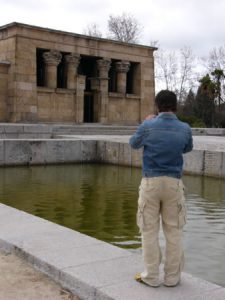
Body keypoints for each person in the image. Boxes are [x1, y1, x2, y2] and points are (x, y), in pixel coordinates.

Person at [129, 90, 193, 287]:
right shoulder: (184, 128)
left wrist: (146, 122)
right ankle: (172, 277)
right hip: (174, 183)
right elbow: (187, 148)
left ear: (157, 106)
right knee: (173, 231)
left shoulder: (148, 125)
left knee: (148, 230)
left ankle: (151, 276)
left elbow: (133, 143)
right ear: (175, 106)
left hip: (151, 182)